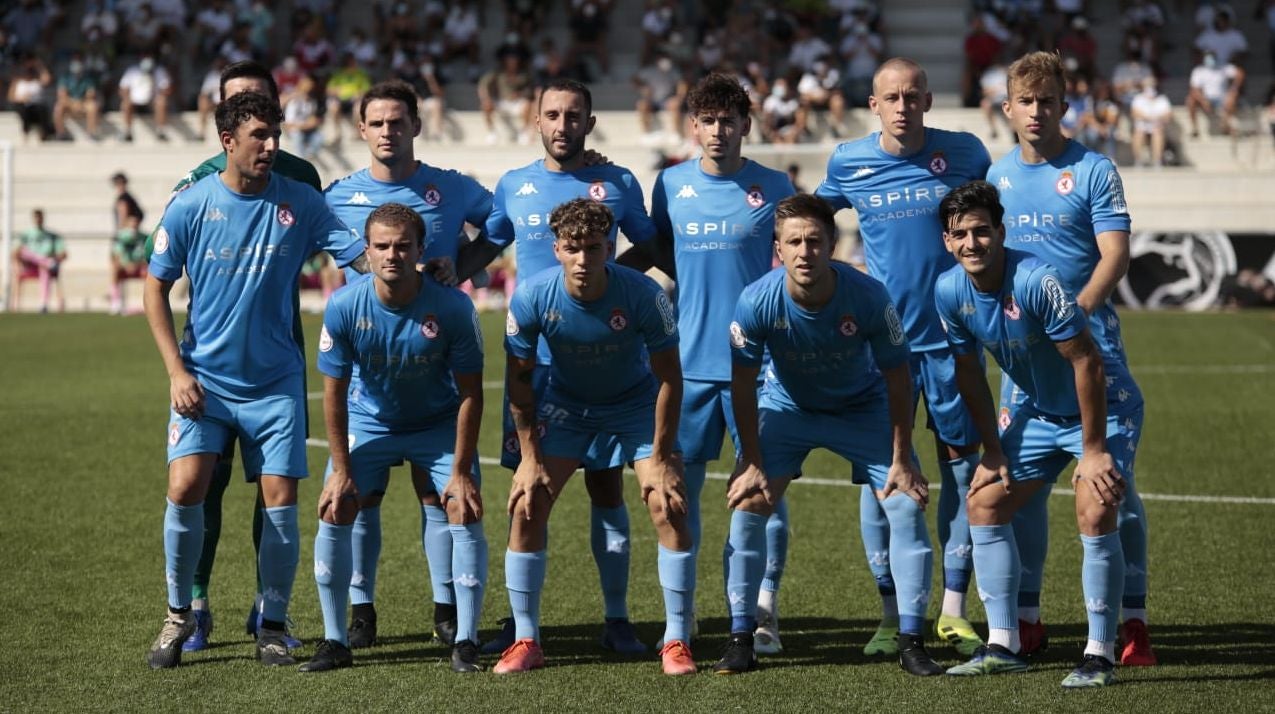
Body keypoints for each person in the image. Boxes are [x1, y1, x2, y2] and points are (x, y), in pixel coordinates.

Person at [142, 90, 366, 669]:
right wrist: (176, 371)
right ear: (227, 142)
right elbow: (153, 287)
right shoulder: (191, 205)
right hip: (205, 384)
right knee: (186, 487)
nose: (270, 146)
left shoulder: (301, 202)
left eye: (275, 135)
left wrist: (417, 271)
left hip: (275, 385)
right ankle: (177, 614)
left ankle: (272, 620)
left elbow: (361, 258)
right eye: (259, 137)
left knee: (280, 500)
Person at [713, 193, 941, 677]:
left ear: (832, 244)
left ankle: (912, 639)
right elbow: (741, 384)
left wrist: (902, 456)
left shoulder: (868, 295)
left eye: (814, 241)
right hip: (787, 407)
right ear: (778, 247)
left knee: (904, 502)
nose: (804, 251)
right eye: (793, 241)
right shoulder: (756, 299)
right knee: (750, 504)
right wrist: (750, 458)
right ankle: (740, 637)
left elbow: (899, 377)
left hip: (861, 407)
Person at [473, 78, 663, 658]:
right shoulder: (515, 185)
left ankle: (617, 619)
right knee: (530, 491)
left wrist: (607, 286)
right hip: (539, 367)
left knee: (608, 489)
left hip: (608, 362)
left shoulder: (620, 182)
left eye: (573, 114)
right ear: (536, 121)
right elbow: (487, 245)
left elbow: (652, 248)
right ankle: (519, 621)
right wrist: (442, 271)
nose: (562, 124)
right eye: (552, 114)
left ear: (590, 121)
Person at [815, 57, 991, 659]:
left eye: (912, 95)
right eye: (891, 97)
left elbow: (997, 215)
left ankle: (952, 610)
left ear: (928, 99)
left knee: (964, 471)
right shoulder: (848, 161)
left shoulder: (965, 153)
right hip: (880, 347)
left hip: (955, 343)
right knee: (879, 477)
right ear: (873, 105)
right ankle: (891, 613)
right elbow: (810, 221)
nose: (902, 105)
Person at [988, 50, 1153, 667]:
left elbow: (1115, 255)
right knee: (1018, 494)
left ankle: (1131, 622)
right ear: (1008, 108)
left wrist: (1073, 314)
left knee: (1112, 490)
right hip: (1019, 372)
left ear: (1065, 105)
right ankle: (1025, 621)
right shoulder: (996, 176)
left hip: (1091, 355)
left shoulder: (1092, 169)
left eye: (1047, 101)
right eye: (1025, 101)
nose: (1036, 111)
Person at [935, 179, 1134, 689]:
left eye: (982, 231)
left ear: (1001, 232)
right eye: (960, 234)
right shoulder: (949, 290)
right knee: (984, 502)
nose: (971, 243)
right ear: (947, 241)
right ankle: (1003, 644)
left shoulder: (1038, 280)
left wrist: (1092, 452)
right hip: (1038, 412)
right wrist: (993, 450)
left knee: (1094, 508)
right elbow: (970, 375)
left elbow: (1086, 361)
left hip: (1103, 408)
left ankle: (1099, 653)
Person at [322, 79, 492, 650]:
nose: (388, 131)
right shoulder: (336, 197)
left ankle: (446, 607)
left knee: (433, 494)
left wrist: (462, 266)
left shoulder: (451, 187)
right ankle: (360, 606)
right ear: (361, 130)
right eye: (378, 122)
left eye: (399, 121)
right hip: (368, 377)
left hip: (434, 375)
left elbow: (505, 223)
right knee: (360, 498)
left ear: (416, 126)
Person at [495, 198, 696, 676]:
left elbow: (670, 378)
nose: (583, 260)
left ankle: (676, 640)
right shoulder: (531, 297)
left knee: (666, 503)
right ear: (557, 249)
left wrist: (664, 456)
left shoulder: (645, 294)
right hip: (567, 407)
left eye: (593, 248)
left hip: (635, 405)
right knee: (529, 502)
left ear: (610, 247)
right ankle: (526, 639)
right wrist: (528, 457)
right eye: (572, 248)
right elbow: (519, 384)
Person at [301, 203, 487, 674]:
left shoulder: (452, 307)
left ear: (421, 249)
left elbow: (470, 394)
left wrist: (462, 472)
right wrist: (341, 471)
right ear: (367, 250)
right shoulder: (344, 305)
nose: (392, 255)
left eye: (403, 246)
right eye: (382, 246)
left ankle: (465, 640)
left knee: (462, 506)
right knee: (336, 505)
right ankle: (335, 639)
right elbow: (334, 395)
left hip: (437, 423)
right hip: (370, 423)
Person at [649, 73, 795, 653]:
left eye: (728, 120)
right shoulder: (670, 184)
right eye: (707, 120)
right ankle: (683, 621)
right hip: (687, 366)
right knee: (682, 492)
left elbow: (792, 259)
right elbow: (659, 247)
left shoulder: (773, 184)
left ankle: (761, 610)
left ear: (745, 126)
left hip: (758, 367)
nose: (718, 131)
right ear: (693, 126)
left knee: (762, 494)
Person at [10, 209, 66, 312]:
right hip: (29, 266)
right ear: (33, 219)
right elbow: (14, 253)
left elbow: (63, 254)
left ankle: (43, 304)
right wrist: (17, 264)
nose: (38, 220)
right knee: (23, 251)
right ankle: (46, 262)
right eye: (36, 217)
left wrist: (55, 258)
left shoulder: (52, 236)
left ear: (43, 218)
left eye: (40, 217)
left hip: (45, 268)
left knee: (44, 269)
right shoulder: (26, 234)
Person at [110, 172, 146, 315]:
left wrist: (121, 232)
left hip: (125, 238)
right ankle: (116, 300)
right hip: (126, 242)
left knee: (116, 264)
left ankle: (115, 301)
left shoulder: (123, 198)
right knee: (116, 266)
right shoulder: (129, 197)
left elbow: (122, 215)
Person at [118, 53, 172, 142]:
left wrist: (156, 87)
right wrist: (127, 96)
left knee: (161, 102)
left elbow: (167, 89)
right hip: (135, 101)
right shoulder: (132, 71)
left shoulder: (159, 71)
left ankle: (161, 131)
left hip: (152, 101)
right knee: (126, 103)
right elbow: (122, 88)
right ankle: (127, 132)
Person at [53, 53, 100, 141]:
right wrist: (73, 103)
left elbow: (91, 94)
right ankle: (61, 133)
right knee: (58, 107)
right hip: (69, 103)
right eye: (75, 61)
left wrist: (80, 103)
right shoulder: (65, 77)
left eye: (79, 61)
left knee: (93, 106)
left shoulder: (88, 78)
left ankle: (92, 132)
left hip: (83, 103)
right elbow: (62, 95)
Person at [1130, 77, 1171, 167]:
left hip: (1157, 126)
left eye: (1152, 85)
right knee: (1138, 133)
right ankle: (1138, 160)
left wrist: (1158, 119)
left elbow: (1168, 115)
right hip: (1142, 126)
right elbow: (1134, 113)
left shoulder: (1162, 99)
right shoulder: (1138, 98)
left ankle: (1157, 160)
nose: (1150, 87)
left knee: (1158, 132)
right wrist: (1148, 118)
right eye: (1148, 85)